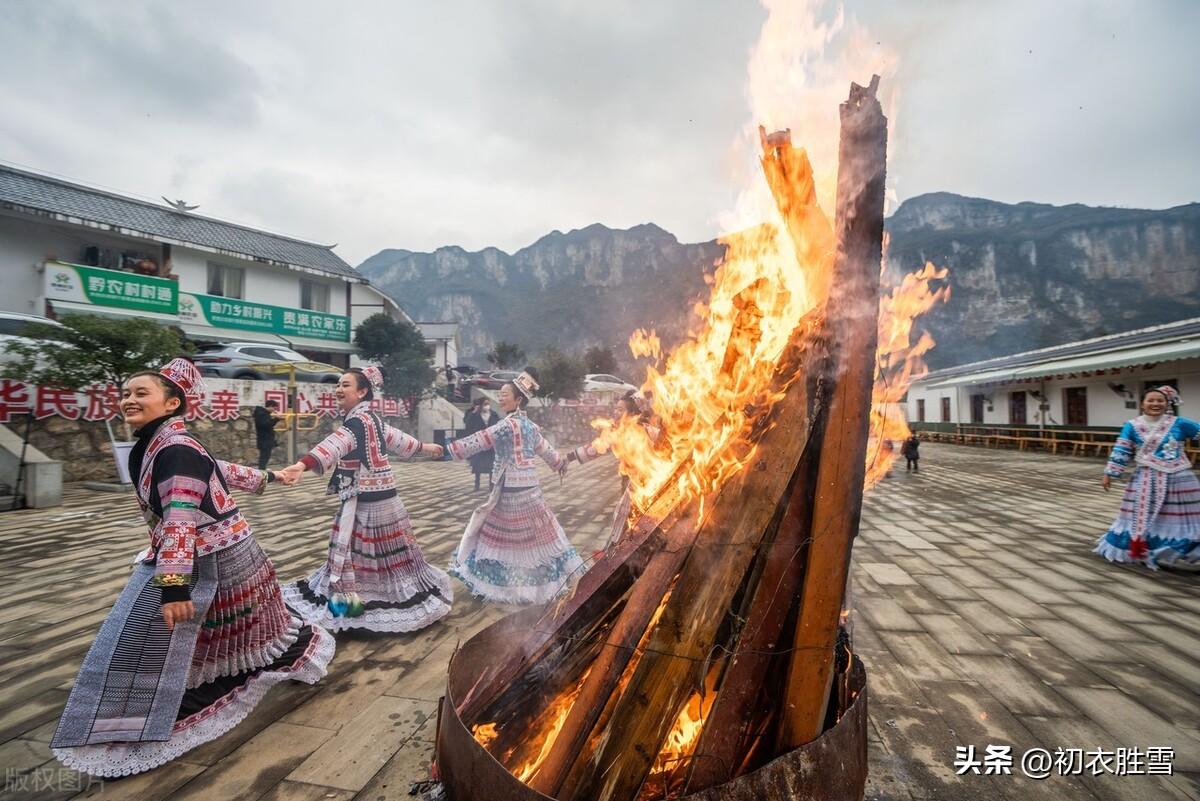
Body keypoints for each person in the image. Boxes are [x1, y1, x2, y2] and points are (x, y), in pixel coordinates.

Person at [51, 358, 333, 777]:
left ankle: (164, 705)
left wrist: (173, 587)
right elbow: (219, 469)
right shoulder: (165, 443)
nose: (129, 399)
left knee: (221, 629)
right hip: (204, 553)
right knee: (225, 631)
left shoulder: (175, 448)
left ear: (171, 403)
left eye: (141, 393)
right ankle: (161, 698)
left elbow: (180, 519)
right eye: (126, 393)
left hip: (215, 559)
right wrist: (269, 477)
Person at [278, 366, 454, 631]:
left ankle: (352, 609)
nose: (339, 389)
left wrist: (302, 465)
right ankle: (396, 596)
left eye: (345, 385)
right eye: (338, 384)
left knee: (350, 551)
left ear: (362, 392)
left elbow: (333, 444)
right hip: (386, 500)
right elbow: (398, 440)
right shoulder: (372, 419)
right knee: (389, 554)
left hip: (364, 503)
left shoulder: (357, 423)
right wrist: (426, 447)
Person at [446, 368, 583, 604]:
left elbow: (477, 441)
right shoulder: (530, 427)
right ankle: (539, 583)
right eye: (499, 394)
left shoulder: (505, 426)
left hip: (509, 490)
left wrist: (446, 450)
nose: (500, 398)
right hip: (531, 491)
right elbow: (550, 454)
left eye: (505, 394)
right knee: (534, 539)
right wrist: (563, 462)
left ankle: (514, 585)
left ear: (519, 399)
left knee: (506, 539)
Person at [1096, 385, 1200, 569]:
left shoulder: (1179, 423)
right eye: (1150, 400)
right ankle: (1144, 547)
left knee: (1182, 516)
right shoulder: (1132, 425)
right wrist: (1109, 473)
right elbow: (1122, 449)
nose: (1155, 404)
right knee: (1140, 513)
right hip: (1145, 477)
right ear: (1142, 404)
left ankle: (1183, 549)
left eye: (1160, 400)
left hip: (1179, 477)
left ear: (1167, 403)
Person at [463, 397, 500, 491]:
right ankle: (477, 484)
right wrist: (473, 413)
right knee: (478, 465)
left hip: (491, 444)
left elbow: (498, 426)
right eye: (485, 404)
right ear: (481, 405)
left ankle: (491, 485)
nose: (487, 406)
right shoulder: (475, 415)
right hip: (479, 443)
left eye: (488, 404)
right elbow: (467, 424)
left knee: (492, 465)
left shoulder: (494, 414)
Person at [253, 399, 281, 469]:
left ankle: (263, 469)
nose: (274, 410)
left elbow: (268, 424)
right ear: (270, 406)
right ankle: (262, 471)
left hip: (266, 439)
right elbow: (265, 424)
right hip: (264, 440)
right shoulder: (261, 414)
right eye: (274, 408)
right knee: (264, 457)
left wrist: (275, 419)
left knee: (265, 456)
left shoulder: (264, 413)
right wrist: (276, 419)